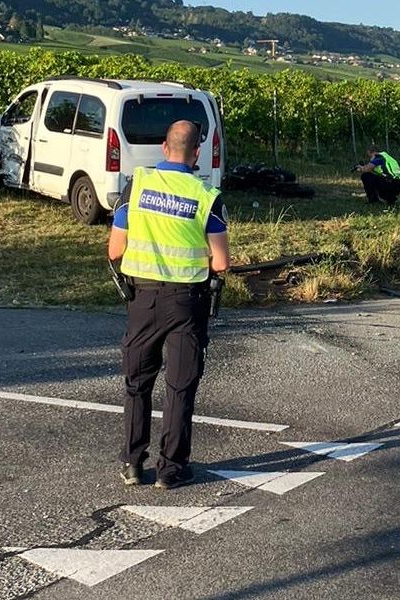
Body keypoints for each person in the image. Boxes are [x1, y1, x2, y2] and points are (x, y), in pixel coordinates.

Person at [107, 120, 230, 490]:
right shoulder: (206, 196)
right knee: (180, 386)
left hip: (142, 299)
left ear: (164, 148)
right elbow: (221, 263)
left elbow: (115, 249)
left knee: (138, 383)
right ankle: (171, 468)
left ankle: (132, 462)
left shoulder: (137, 186)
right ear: (196, 154)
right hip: (186, 303)